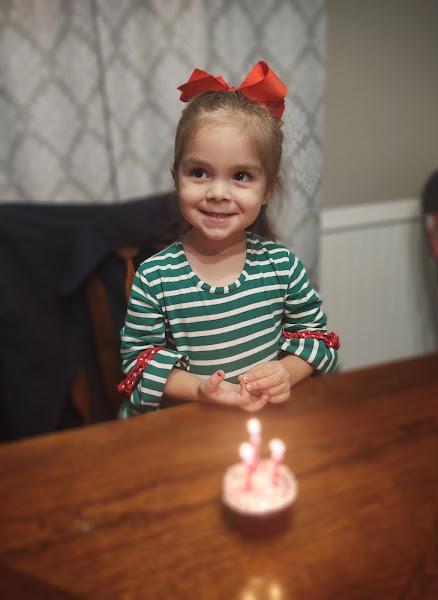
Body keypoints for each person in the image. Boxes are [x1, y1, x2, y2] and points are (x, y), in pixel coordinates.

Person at [118, 61, 339, 417]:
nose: (218, 193)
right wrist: (200, 390)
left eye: (240, 176)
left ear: (268, 190)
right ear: (176, 179)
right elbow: (139, 365)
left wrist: (286, 371)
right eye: (199, 172)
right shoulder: (155, 277)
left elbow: (319, 340)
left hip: (258, 426)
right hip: (187, 428)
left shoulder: (283, 267)